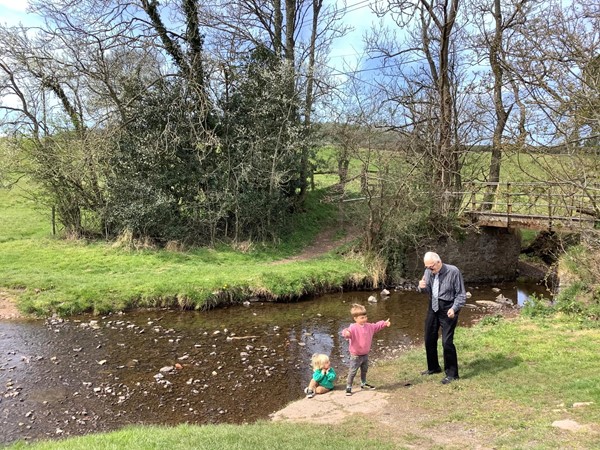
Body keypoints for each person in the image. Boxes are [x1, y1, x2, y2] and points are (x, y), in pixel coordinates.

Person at [417, 251, 466, 384]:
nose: (429, 269)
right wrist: (421, 287)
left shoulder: (453, 271)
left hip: (448, 308)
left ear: (439, 262)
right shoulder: (428, 271)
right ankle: (433, 368)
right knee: (429, 338)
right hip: (433, 306)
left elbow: (461, 295)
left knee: (447, 342)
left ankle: (452, 374)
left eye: (431, 266)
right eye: (427, 267)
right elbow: (426, 289)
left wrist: (454, 309)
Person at [341, 303, 391, 396]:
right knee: (353, 371)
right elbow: (345, 331)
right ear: (355, 319)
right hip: (355, 355)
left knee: (364, 370)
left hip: (365, 354)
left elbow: (376, 326)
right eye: (362, 318)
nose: (364, 319)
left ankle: (363, 383)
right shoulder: (353, 327)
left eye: (365, 317)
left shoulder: (369, 326)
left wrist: (384, 323)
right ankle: (348, 386)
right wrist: (346, 333)